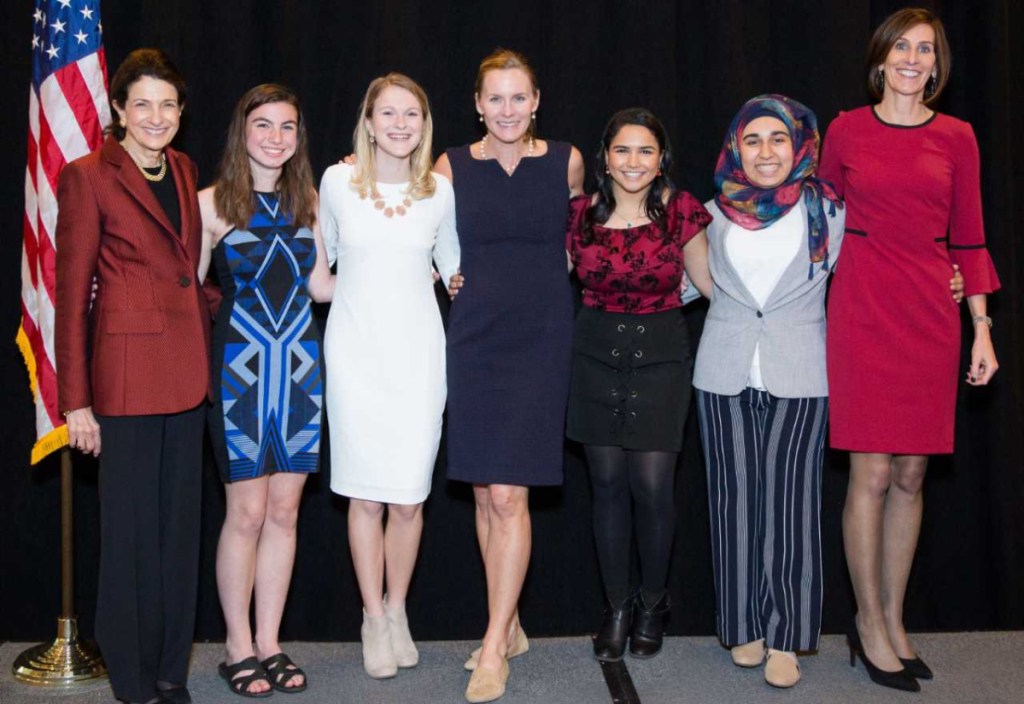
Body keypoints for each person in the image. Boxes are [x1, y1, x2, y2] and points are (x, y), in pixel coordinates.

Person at [818, 7, 1000, 691]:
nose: (913, 59)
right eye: (902, 46)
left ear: (937, 63)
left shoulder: (958, 135)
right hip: (863, 308)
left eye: (926, 49)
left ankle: (894, 617)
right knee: (868, 474)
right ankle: (866, 623)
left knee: (912, 476)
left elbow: (972, 236)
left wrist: (981, 326)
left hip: (930, 310)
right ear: (881, 56)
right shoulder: (845, 129)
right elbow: (820, 217)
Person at [55, 48, 207, 704]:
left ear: (180, 112)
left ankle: (172, 671)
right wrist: (76, 402)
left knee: (179, 535)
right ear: (118, 109)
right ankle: (133, 680)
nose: (155, 116)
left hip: (188, 377)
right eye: (141, 103)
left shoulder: (184, 169)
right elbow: (70, 296)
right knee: (130, 538)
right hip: (122, 383)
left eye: (167, 104)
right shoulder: (87, 176)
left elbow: (184, 273)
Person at [434, 48, 585, 703]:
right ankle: (511, 623)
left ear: (536, 99)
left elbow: (587, 237)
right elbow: (414, 224)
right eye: (494, 98)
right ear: (476, 104)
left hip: (541, 337)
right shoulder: (449, 165)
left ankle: (494, 644)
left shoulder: (567, 160)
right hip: (474, 339)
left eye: (517, 97)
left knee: (509, 495)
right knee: (483, 490)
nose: (506, 109)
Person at [694, 94, 844, 689]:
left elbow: (872, 271)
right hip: (723, 369)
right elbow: (677, 281)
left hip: (801, 371)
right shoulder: (710, 212)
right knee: (733, 502)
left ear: (800, 145)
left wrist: (949, 277)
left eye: (777, 139)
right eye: (753, 140)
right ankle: (742, 626)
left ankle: (788, 636)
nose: (765, 152)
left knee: (791, 505)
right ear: (736, 147)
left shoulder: (828, 211)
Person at [319, 73, 459, 681]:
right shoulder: (336, 182)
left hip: (419, 358)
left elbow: (453, 270)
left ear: (424, 126)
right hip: (353, 356)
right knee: (365, 494)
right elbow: (316, 266)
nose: (401, 124)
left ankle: (398, 608)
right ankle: (371, 615)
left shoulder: (440, 193)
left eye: (413, 115)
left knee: (408, 498)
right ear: (369, 122)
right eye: (389, 114)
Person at [197, 84, 333, 697]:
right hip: (238, 376)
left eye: (287, 127)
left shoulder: (311, 201)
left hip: (302, 372)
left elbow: (324, 288)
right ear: (242, 132)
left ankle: (271, 642)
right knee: (246, 513)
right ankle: (237, 647)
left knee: (284, 512)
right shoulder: (209, 206)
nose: (276, 138)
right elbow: (183, 294)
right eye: (264, 125)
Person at [565, 108, 711, 663]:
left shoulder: (682, 212)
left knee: (652, 488)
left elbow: (713, 287)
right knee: (605, 485)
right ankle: (617, 607)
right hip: (594, 356)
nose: (633, 162)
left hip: (662, 359)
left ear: (661, 159)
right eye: (623, 150)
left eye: (645, 151)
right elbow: (539, 274)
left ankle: (653, 603)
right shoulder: (578, 215)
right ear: (605, 157)